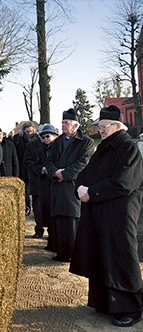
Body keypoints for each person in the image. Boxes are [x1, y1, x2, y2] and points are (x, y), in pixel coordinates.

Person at [71, 105, 143, 327]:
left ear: (117, 126)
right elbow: (85, 174)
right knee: (101, 255)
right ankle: (105, 302)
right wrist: (79, 188)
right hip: (99, 212)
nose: (100, 130)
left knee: (121, 257)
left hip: (119, 215)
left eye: (104, 126)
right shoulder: (104, 148)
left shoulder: (129, 149)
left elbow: (124, 183)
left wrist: (91, 192)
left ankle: (131, 308)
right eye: (99, 126)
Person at [45, 108, 94, 262]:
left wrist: (64, 174)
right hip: (57, 186)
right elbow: (49, 160)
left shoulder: (86, 142)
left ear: (76, 125)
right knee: (59, 220)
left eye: (66, 123)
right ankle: (61, 252)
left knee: (72, 220)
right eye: (62, 122)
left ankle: (75, 254)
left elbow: (83, 162)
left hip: (73, 186)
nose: (63, 125)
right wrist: (55, 172)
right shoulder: (57, 141)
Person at [24, 124, 58, 240]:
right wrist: (40, 169)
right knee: (38, 208)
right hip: (38, 180)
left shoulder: (57, 146)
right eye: (43, 136)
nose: (45, 139)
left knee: (52, 207)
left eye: (48, 136)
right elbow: (27, 161)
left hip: (53, 182)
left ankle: (52, 232)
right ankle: (39, 230)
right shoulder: (31, 146)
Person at [13, 121, 39, 216]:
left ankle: (36, 208)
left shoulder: (38, 139)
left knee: (35, 189)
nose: (29, 133)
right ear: (23, 131)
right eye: (27, 131)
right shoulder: (17, 139)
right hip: (22, 167)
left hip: (33, 167)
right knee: (25, 189)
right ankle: (26, 207)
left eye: (31, 131)